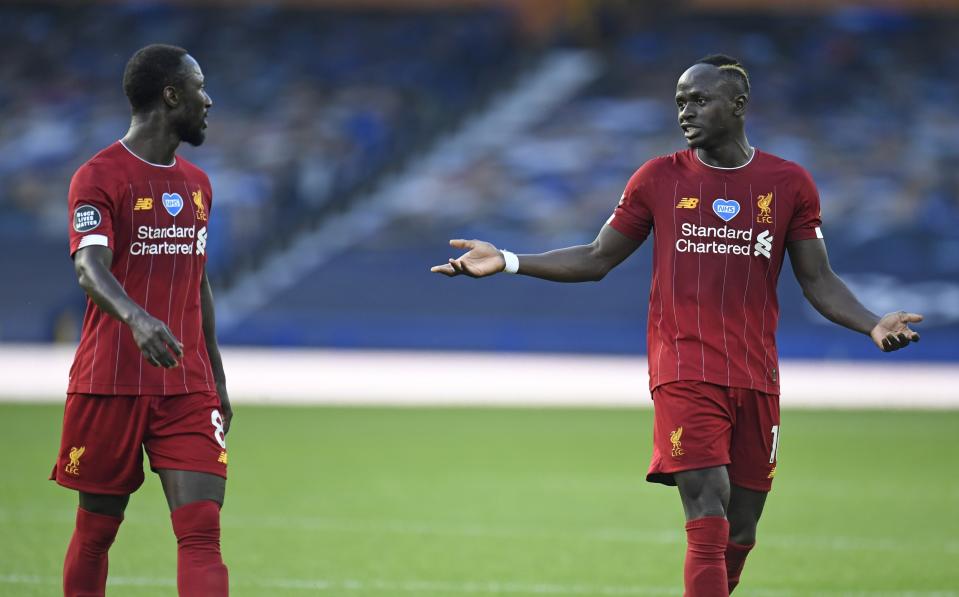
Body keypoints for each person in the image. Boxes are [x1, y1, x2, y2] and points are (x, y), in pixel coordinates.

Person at [431, 54, 922, 596]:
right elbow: (597, 258)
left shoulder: (789, 183)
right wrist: (510, 258)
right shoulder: (658, 178)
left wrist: (872, 324)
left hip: (757, 374)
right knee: (706, 507)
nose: (685, 111)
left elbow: (819, 280)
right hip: (684, 366)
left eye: (699, 99)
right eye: (680, 102)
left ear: (738, 105)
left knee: (742, 527)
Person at [51, 44, 230, 597]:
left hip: (186, 386)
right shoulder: (98, 176)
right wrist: (137, 319)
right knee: (97, 531)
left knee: (201, 533)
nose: (209, 100)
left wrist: (217, 380)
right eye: (200, 88)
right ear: (171, 95)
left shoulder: (197, 184)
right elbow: (88, 267)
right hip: (110, 383)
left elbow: (197, 282)